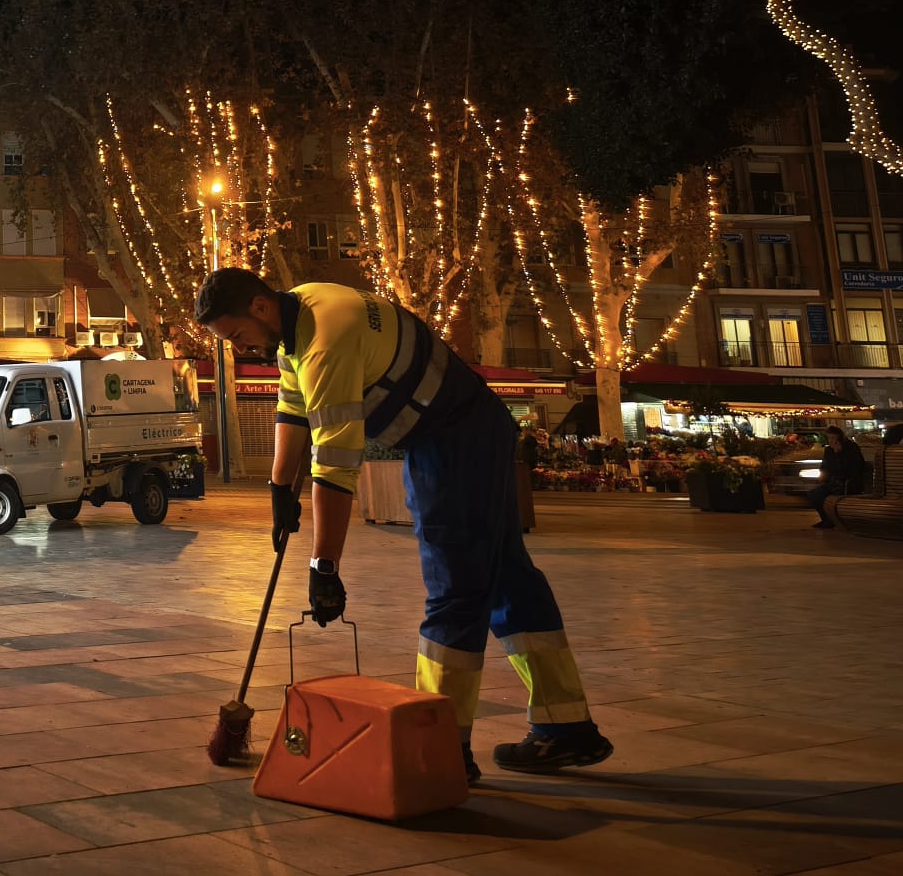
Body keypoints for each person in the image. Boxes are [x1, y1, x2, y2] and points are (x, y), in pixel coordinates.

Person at [196, 269, 611, 784]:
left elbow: (335, 463)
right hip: (468, 428)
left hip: (452, 440)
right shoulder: (299, 317)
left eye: (237, 336)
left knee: (455, 590)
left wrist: (324, 565)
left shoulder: (327, 341)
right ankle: (565, 724)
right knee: (508, 577)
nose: (240, 348)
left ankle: (441, 747)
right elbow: (292, 406)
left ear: (259, 307)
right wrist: (280, 489)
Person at [809, 425, 868, 528]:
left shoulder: (851, 448)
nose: (831, 441)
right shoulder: (829, 450)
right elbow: (825, 466)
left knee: (821, 494)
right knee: (814, 494)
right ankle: (826, 519)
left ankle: (831, 520)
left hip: (847, 482)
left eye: (833, 438)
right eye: (829, 438)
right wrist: (822, 477)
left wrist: (838, 454)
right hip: (832, 482)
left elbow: (853, 469)